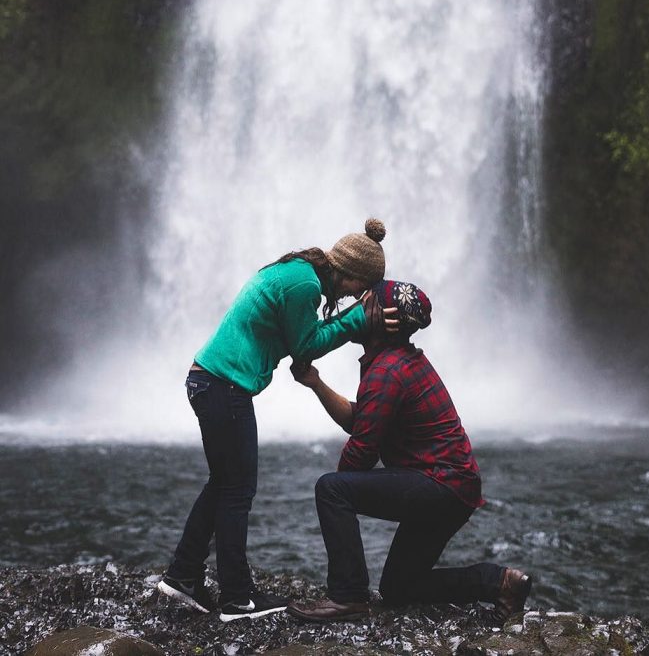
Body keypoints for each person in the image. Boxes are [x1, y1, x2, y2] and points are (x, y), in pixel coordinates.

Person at [158, 219, 398, 622]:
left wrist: (351, 317)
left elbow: (302, 339)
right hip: (224, 387)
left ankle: (183, 576)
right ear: (352, 273)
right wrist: (359, 319)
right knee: (237, 490)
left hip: (209, 381)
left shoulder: (300, 272)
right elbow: (306, 348)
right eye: (362, 288)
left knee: (223, 485)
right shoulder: (305, 286)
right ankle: (236, 599)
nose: (361, 296)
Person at [286, 279, 532, 623]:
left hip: (439, 485)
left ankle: (347, 597)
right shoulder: (399, 361)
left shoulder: (387, 371)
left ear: (382, 319)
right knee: (399, 588)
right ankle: (500, 582)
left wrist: (342, 496)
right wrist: (316, 383)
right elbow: (365, 418)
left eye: (363, 305)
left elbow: (361, 452)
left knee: (331, 488)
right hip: (454, 487)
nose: (354, 311)